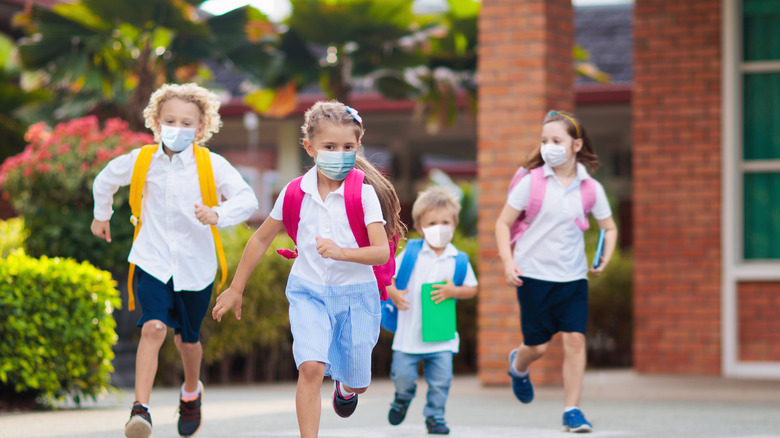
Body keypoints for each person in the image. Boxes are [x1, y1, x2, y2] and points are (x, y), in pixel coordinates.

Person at [211, 100, 405, 438]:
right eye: (329, 146)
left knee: (358, 383)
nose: (339, 153)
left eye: (347, 146)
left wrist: (342, 253)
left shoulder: (364, 194)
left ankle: (345, 387)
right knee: (311, 368)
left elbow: (378, 254)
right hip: (308, 291)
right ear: (310, 147)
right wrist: (236, 288)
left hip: (357, 295)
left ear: (358, 146)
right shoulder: (293, 193)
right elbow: (259, 240)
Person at [91, 83, 259, 438]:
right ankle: (140, 410)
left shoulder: (211, 165)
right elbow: (105, 179)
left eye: (187, 123)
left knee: (187, 342)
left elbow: (247, 199)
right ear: (155, 121)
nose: (178, 129)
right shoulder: (140, 161)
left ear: (200, 128)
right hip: (152, 260)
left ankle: (191, 392)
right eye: (170, 120)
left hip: (196, 268)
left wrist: (217, 214)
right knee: (152, 328)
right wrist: (101, 214)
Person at [494, 110, 617, 433]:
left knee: (575, 341)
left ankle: (572, 410)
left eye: (557, 140)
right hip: (533, 275)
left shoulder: (590, 187)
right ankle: (518, 367)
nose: (549, 146)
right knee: (538, 347)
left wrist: (604, 256)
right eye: (545, 140)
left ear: (576, 145)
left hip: (574, 278)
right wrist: (508, 262)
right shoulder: (532, 182)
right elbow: (503, 223)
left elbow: (610, 227)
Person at [385, 186, 478, 435]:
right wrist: (393, 293)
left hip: (442, 336)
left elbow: (471, 288)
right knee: (402, 376)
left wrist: (454, 291)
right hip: (408, 335)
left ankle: (435, 416)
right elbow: (387, 277)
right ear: (420, 225)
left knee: (441, 381)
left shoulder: (458, 259)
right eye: (432, 222)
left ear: (455, 224)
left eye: (445, 221)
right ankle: (403, 397)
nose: (440, 227)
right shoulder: (412, 253)